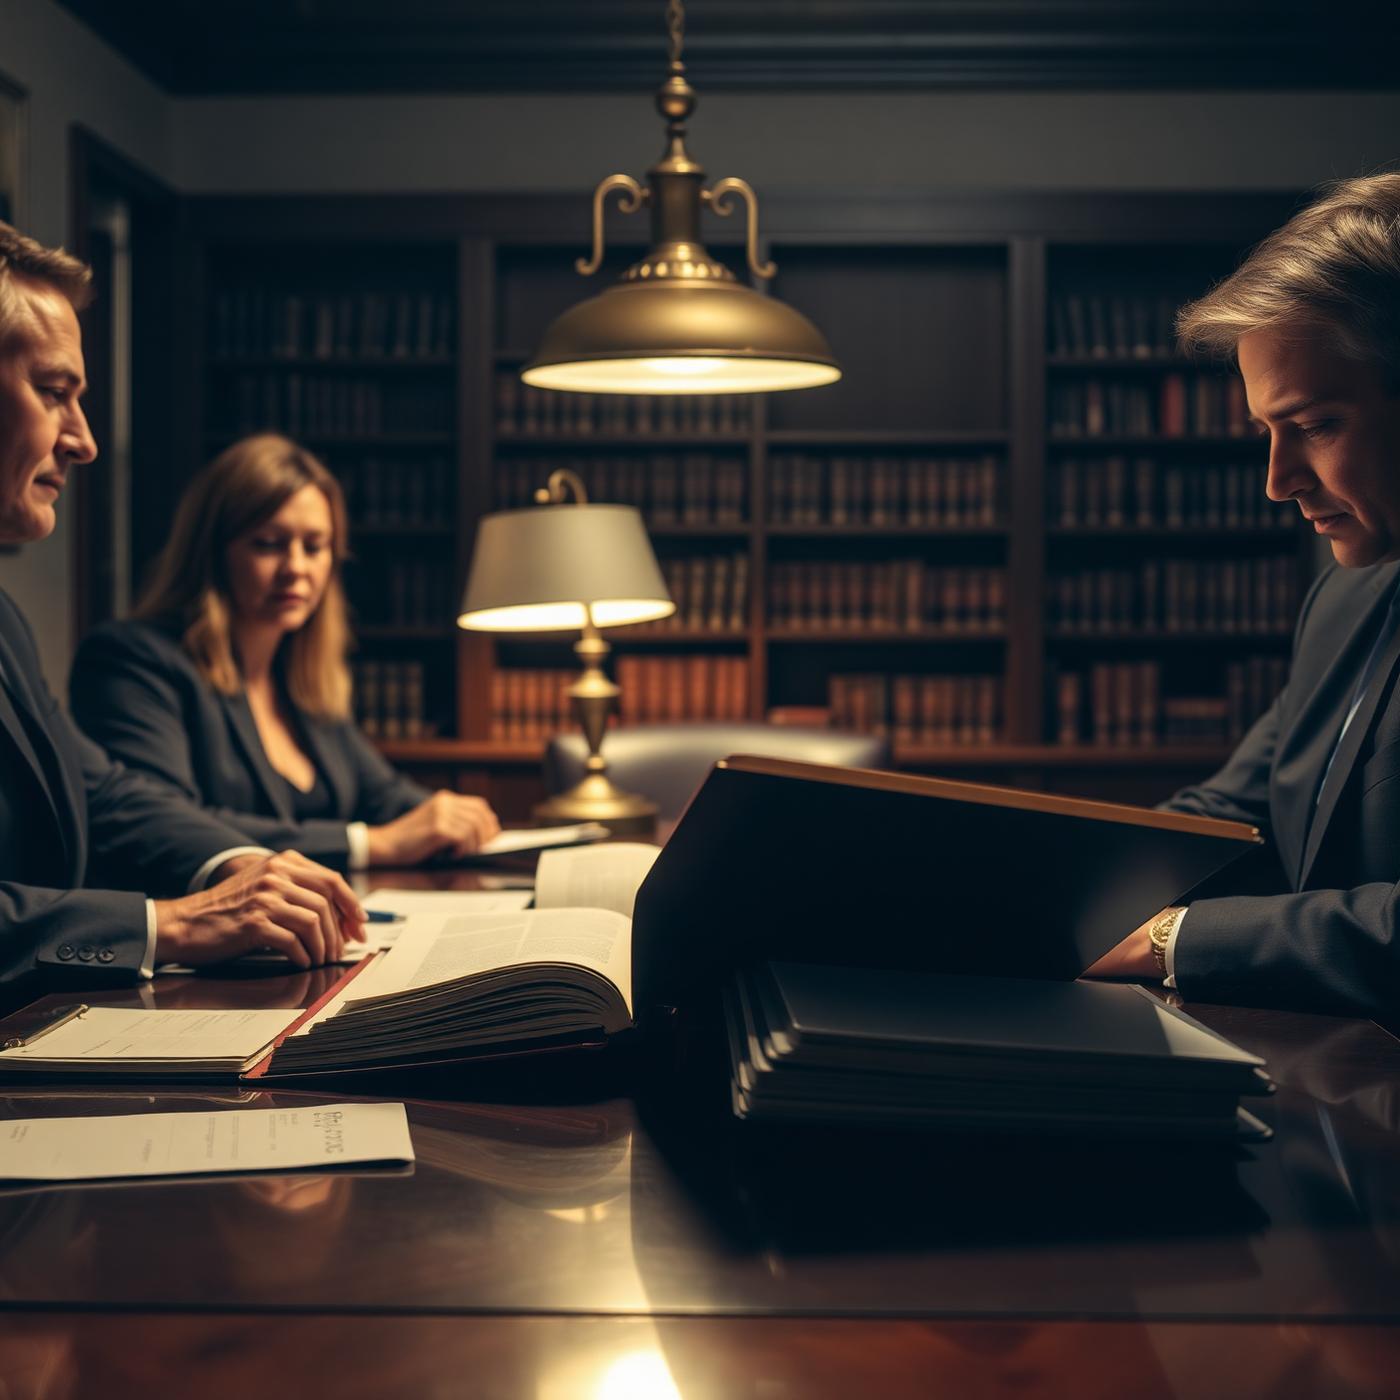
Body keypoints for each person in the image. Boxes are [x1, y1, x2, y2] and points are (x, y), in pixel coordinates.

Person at [0, 220, 366, 994]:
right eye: (54, 393)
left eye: (318, 545)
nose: (85, 441)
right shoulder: (138, 656)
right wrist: (168, 925)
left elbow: (104, 792)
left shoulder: (5, 622)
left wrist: (240, 866)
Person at [1086, 173, 1400, 1018]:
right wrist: (1042, 887)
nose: (1278, 482)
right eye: (1268, 433)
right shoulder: (1344, 598)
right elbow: (1233, 812)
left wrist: (1169, 940)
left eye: (1314, 426)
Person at [69, 433, 500, 869]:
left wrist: (451, 817)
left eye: (314, 547)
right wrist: (369, 844)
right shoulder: (132, 659)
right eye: (269, 544)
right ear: (212, 554)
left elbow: (387, 796)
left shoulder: (300, 676)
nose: (296, 568)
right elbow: (166, 822)